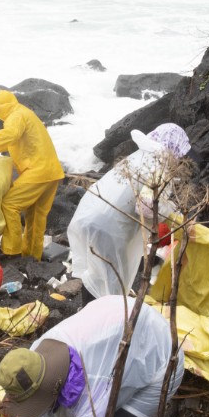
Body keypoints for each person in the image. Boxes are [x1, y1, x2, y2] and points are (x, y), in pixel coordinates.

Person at [0, 295, 182, 417]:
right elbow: (40, 398)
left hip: (161, 354)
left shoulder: (92, 388)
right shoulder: (31, 359)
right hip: (115, 325)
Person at [67, 123, 189, 301]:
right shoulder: (158, 167)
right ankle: (101, 321)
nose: (180, 159)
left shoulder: (140, 157)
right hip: (110, 227)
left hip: (91, 215)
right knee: (110, 279)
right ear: (174, 148)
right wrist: (170, 210)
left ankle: (89, 316)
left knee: (96, 274)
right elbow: (146, 207)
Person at [0, 90, 64, 259]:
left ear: (2, 107)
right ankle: (33, 256)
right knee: (36, 215)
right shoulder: (25, 113)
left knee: (9, 204)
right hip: (52, 171)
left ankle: (13, 251)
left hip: (38, 171)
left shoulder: (16, 116)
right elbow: (16, 140)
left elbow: (9, 136)